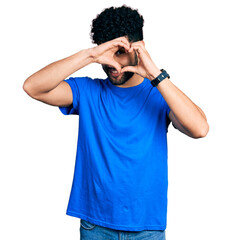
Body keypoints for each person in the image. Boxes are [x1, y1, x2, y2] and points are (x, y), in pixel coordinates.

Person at [23, 5, 209, 240]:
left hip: (147, 229)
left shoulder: (159, 94)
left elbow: (200, 129)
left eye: (119, 52)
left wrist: (155, 74)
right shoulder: (88, 91)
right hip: (95, 226)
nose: (112, 64)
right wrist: (90, 55)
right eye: (107, 53)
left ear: (139, 48)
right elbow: (33, 87)